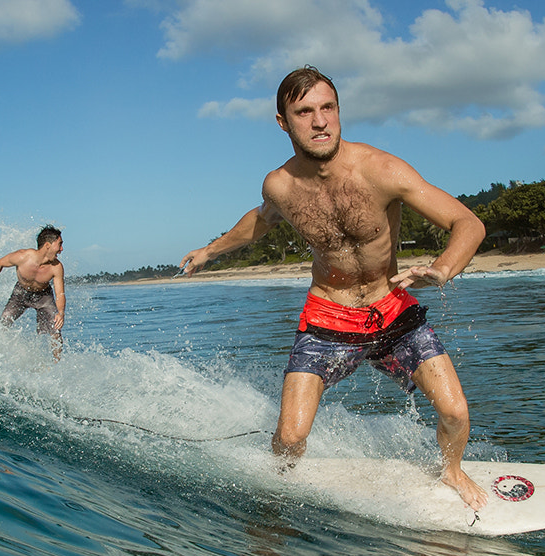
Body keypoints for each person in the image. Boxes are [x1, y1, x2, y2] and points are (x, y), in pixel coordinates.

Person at [178, 67, 488, 511]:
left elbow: (468, 223)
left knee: (456, 413)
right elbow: (260, 222)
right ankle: (277, 496)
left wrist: (442, 269)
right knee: (289, 438)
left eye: (328, 108)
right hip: (327, 316)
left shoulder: (382, 170)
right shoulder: (280, 185)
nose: (320, 121)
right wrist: (211, 250)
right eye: (305, 112)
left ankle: (452, 470)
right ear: (283, 121)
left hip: (391, 310)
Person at [0, 225, 66, 359]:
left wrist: (61, 313)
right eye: (59, 244)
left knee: (55, 330)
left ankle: (57, 363)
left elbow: (60, 294)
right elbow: (0, 263)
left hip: (44, 296)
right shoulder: (22, 257)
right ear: (47, 245)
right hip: (21, 293)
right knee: (4, 321)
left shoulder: (56, 267)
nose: (61, 249)